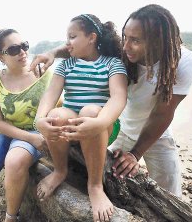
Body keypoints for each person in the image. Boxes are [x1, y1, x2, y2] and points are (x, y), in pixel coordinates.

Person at [30, 4, 192, 198]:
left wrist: (136, 154)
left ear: (156, 41)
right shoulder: (123, 52)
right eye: (125, 37)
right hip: (118, 123)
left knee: (170, 188)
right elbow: (84, 48)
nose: (126, 46)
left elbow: (163, 113)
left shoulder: (182, 62)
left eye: (135, 40)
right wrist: (52, 53)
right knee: (108, 175)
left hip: (155, 131)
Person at [34, 14, 128, 222]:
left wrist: (100, 122)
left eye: (72, 36)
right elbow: (50, 95)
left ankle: (95, 185)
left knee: (91, 112)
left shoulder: (112, 64)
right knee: (56, 115)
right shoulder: (66, 65)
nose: (67, 42)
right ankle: (60, 170)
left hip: (102, 127)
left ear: (92, 37)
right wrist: (40, 120)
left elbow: (118, 98)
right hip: (71, 127)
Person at [0, 29, 52, 222]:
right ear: (0, 56)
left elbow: (60, 104)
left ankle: (11, 217)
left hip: (34, 130)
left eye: (24, 46)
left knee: (14, 162)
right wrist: (30, 138)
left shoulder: (43, 75)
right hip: (5, 133)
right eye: (13, 49)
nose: (22, 52)